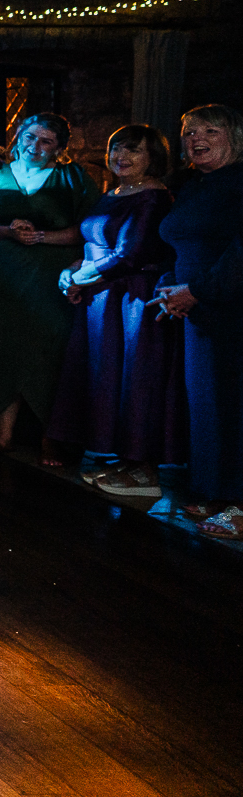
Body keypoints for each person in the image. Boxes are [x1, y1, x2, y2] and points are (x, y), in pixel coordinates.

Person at [46, 126, 187, 498]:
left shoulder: (154, 198)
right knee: (110, 377)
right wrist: (71, 272)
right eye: (116, 150)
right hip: (102, 299)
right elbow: (93, 239)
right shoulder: (113, 193)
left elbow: (130, 254)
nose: (121, 158)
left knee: (136, 379)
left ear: (153, 157)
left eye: (133, 151)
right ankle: (126, 459)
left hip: (132, 300)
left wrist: (79, 279)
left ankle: (145, 469)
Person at [0, 115, 100, 461]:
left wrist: (42, 236)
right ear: (17, 137)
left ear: (59, 148)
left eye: (46, 141)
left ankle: (51, 436)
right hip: (2, 278)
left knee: (50, 354)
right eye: (30, 137)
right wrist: (7, 230)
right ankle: (3, 433)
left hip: (51, 278)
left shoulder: (73, 178)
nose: (36, 146)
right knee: (2, 352)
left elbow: (92, 229)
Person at [156, 105, 243, 537]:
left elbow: (239, 256)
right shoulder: (193, 185)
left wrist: (197, 291)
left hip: (231, 308)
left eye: (211, 130)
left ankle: (240, 506)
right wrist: (169, 287)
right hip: (196, 309)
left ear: (236, 137)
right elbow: (178, 243)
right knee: (208, 407)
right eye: (189, 132)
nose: (197, 138)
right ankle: (217, 492)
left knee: (236, 404)